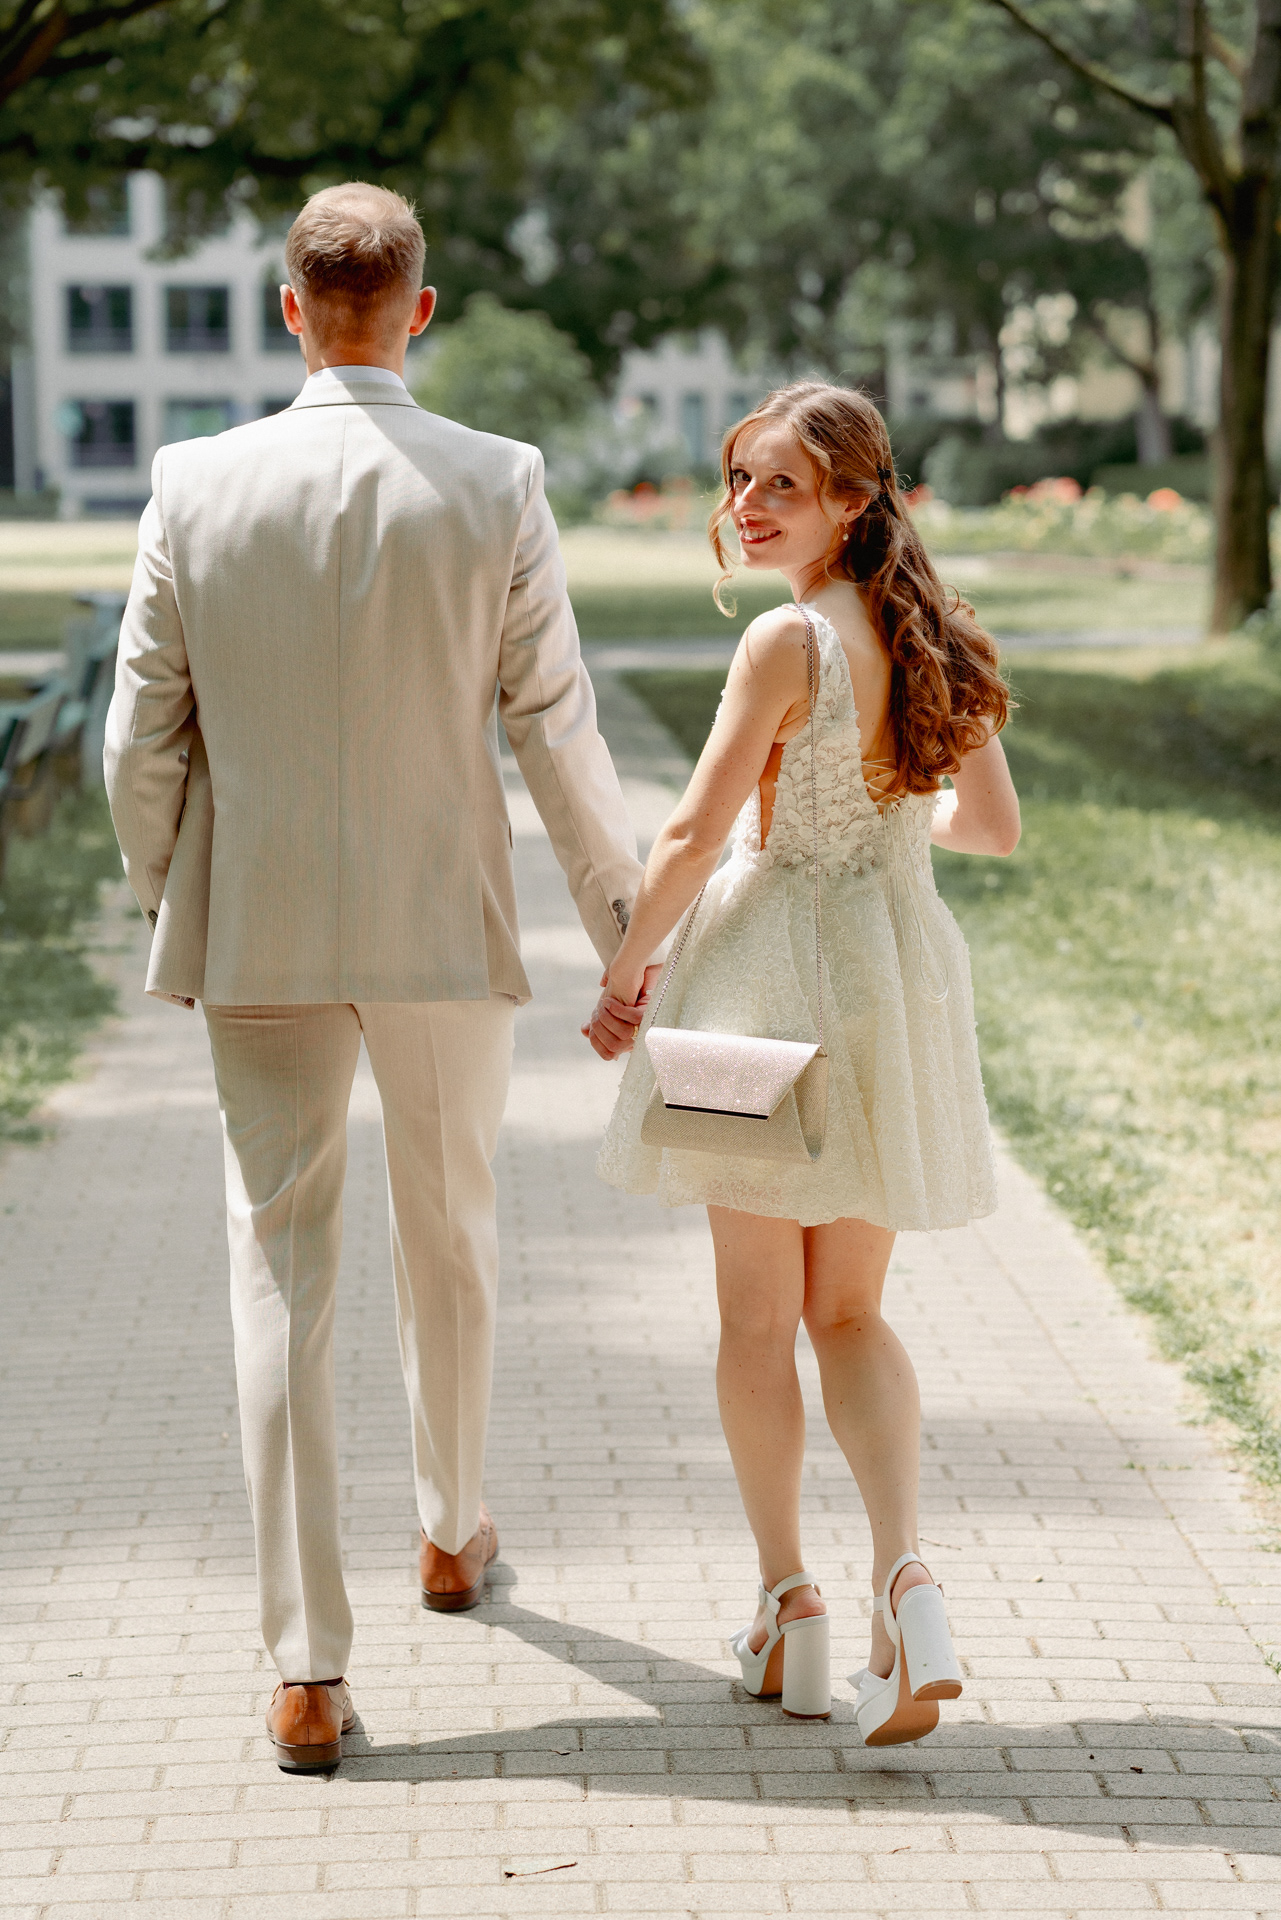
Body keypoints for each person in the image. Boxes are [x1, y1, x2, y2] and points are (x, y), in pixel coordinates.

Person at [105, 182, 647, 1772]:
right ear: (419, 307)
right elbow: (555, 723)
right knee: (452, 1231)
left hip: (258, 925)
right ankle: (450, 1526)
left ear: (292, 309)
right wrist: (623, 925)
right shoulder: (498, 481)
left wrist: (166, 898)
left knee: (280, 1273)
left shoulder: (192, 483)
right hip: (438, 925)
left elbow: (147, 732)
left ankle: (304, 1668)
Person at [588, 380, 1020, 1743]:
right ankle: (909, 1586)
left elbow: (693, 833)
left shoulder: (785, 643)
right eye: (738, 482)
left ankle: (791, 1603)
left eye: (778, 483)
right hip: (890, 982)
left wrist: (624, 970)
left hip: (761, 988)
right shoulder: (935, 633)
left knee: (753, 1321)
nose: (746, 508)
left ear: (852, 499)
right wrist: (884, 806)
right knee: (851, 1314)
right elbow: (990, 828)